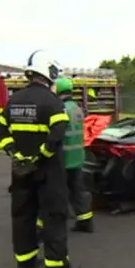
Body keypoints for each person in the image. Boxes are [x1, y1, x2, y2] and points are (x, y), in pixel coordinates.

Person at [0, 50, 80, 268]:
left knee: (23, 214)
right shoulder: (51, 102)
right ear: (48, 72)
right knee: (53, 215)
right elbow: (58, 133)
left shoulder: (14, 100)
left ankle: (25, 262)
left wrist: (16, 154)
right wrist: (40, 157)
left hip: (20, 171)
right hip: (48, 170)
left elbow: (0, 131)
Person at [55, 77, 95, 233]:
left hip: (63, 158)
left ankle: (57, 224)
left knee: (59, 193)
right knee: (78, 191)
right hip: (77, 157)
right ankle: (85, 221)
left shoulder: (61, 109)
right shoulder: (77, 108)